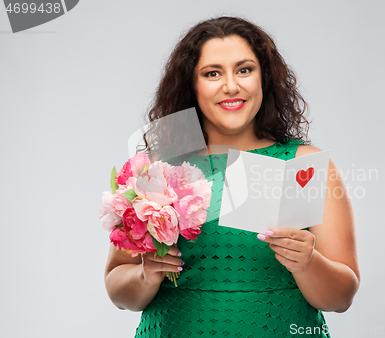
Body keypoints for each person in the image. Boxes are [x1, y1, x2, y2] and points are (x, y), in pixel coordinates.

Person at [104, 16, 360, 337]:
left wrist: (307, 262)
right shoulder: (161, 168)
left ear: (263, 78)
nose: (231, 86)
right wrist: (146, 275)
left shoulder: (300, 163)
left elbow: (341, 298)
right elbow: (118, 289)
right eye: (213, 73)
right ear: (191, 85)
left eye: (244, 70)